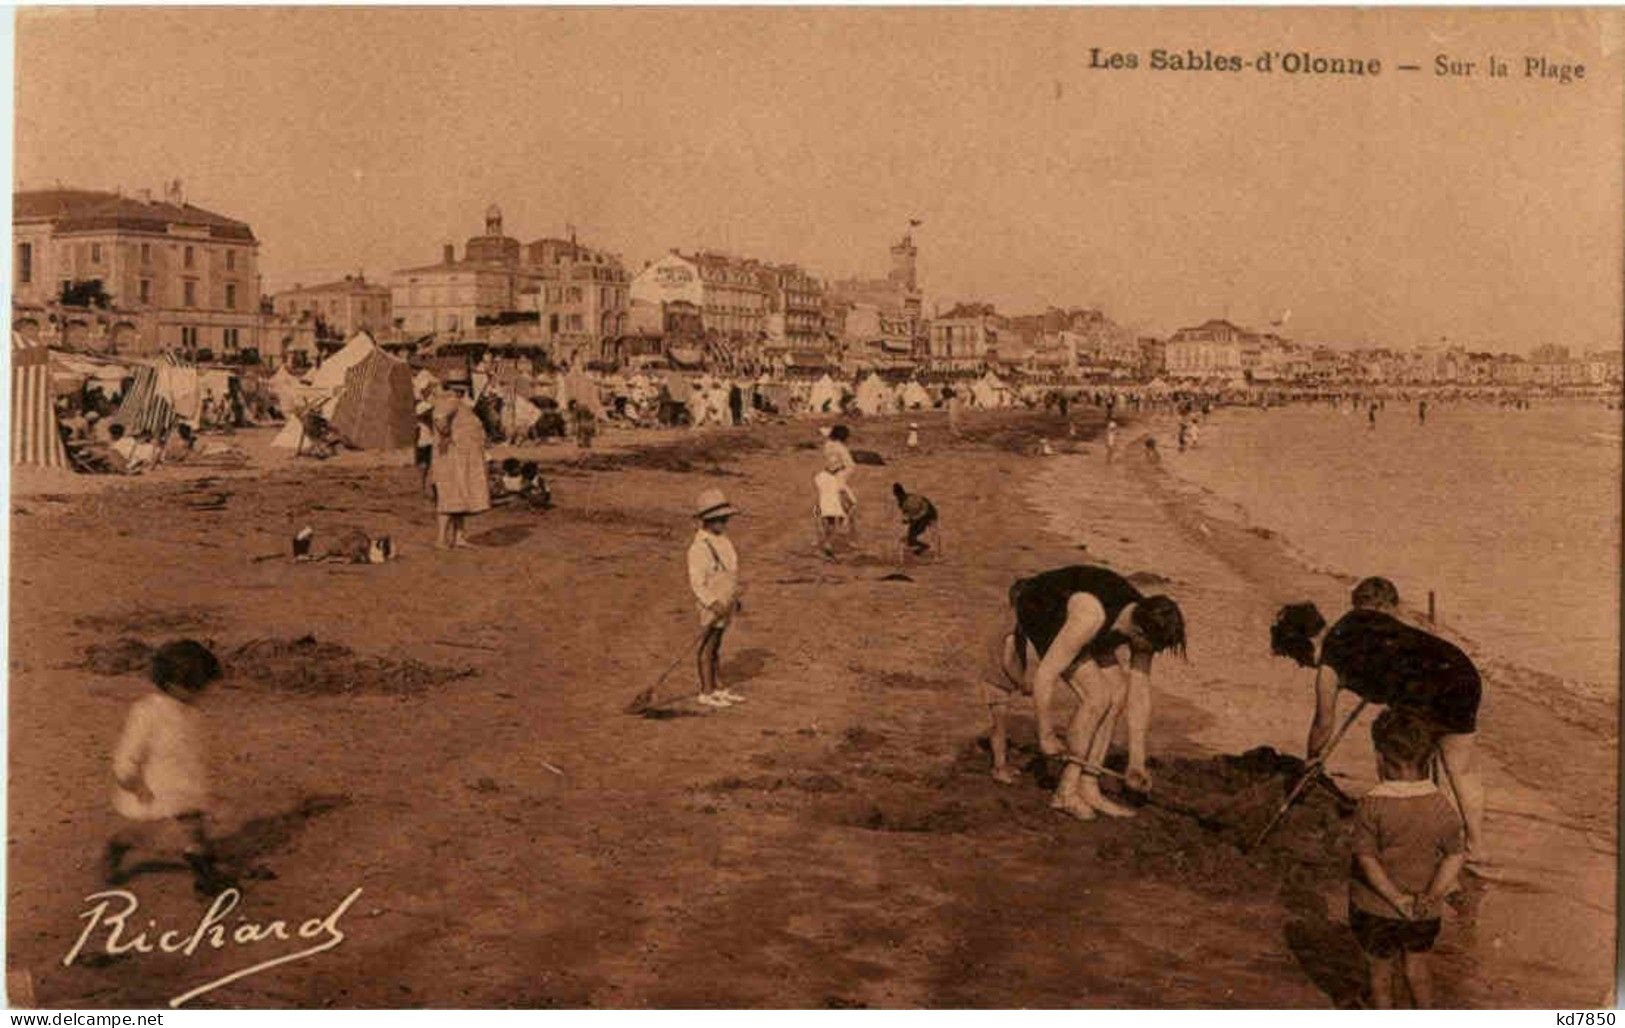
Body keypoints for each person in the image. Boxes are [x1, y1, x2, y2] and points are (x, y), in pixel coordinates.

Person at [1269, 575, 1486, 864]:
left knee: (1398, 758)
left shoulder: (1330, 663)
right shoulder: (1359, 617)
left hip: (1424, 688)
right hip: (1461, 672)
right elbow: (1392, 644)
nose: (1300, 664)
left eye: (1296, 656)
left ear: (1306, 644)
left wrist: (1312, 758)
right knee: (1461, 771)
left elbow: (1323, 721)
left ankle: (1415, 837)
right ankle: (1477, 848)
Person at [987, 565, 1187, 820]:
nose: (1153, 654)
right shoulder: (1090, 616)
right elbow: (1044, 676)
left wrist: (1137, 760)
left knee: (1119, 691)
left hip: (1095, 623)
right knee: (1098, 695)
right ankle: (1065, 793)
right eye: (1152, 648)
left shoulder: (1144, 618)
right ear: (1138, 632)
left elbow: (1140, 693)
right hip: (1043, 607)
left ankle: (1088, 787)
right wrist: (1045, 735)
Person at [1349, 708, 1466, 1009]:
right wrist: (1432, 895)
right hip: (1423, 911)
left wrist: (1395, 897)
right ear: (1429, 760)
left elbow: (1367, 858)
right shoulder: (1442, 806)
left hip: (1376, 907)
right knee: (1418, 969)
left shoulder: (1371, 805)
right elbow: (1454, 856)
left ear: (1380, 758)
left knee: (1380, 975)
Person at [103, 640, 234, 897]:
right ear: (176, 685)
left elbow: (195, 750)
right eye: (198, 688)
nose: (202, 695)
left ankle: (205, 878)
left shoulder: (192, 712)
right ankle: (118, 846)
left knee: (195, 830)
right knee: (145, 834)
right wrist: (131, 780)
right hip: (157, 788)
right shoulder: (148, 712)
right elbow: (129, 751)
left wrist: (210, 777)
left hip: (187, 786)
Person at [688, 488, 744, 708]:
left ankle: (718, 687)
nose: (723, 523)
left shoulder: (723, 540)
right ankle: (706, 691)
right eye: (718, 520)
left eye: (725, 519)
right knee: (708, 645)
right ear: (705, 521)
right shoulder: (699, 548)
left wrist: (733, 598)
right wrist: (713, 603)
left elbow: (730, 571)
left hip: (725, 601)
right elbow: (697, 583)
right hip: (711, 604)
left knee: (717, 645)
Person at [431, 386, 491, 549]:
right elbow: (439, 418)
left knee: (460, 498)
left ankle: (458, 537)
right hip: (452, 459)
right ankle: (442, 539)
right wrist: (446, 435)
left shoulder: (456, 402)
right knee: (449, 498)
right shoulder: (449, 401)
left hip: (461, 459)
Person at [814, 454, 856, 560]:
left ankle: (826, 544)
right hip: (832, 504)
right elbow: (843, 492)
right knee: (831, 525)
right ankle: (827, 545)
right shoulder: (837, 479)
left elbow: (819, 490)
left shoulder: (820, 477)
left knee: (827, 525)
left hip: (824, 504)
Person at [892, 482, 937, 556]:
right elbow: (909, 514)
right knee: (910, 539)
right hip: (920, 516)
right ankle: (921, 549)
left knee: (911, 538)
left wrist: (911, 519)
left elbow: (923, 511)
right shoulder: (903, 502)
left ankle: (923, 548)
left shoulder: (910, 501)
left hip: (927, 516)